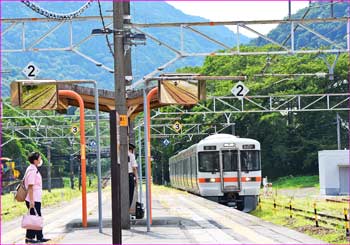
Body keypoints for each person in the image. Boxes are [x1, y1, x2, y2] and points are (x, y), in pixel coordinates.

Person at [24, 152, 50, 244]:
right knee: (33, 218)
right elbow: (30, 187)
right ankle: (29, 238)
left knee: (37, 217)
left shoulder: (34, 169)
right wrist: (31, 201)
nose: (40, 160)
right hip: (32, 199)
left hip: (36, 199)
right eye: (39, 158)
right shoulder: (32, 171)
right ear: (35, 161)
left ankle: (39, 237)